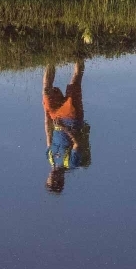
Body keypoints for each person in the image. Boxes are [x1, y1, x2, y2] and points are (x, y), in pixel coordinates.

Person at [42, 60, 92, 193]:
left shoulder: (50, 158)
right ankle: (79, 54)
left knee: (46, 89)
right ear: (60, 180)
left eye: (49, 178)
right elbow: (77, 143)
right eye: (53, 179)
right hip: (72, 118)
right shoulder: (71, 163)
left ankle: (50, 56)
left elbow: (49, 136)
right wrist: (64, 128)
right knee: (74, 82)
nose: (50, 175)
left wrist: (47, 115)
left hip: (55, 118)